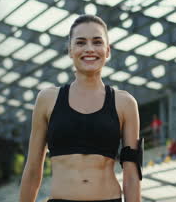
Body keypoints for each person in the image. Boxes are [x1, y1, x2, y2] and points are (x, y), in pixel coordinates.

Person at [19, 15, 142, 202]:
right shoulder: (47, 99)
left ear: (107, 50)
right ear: (70, 50)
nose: (90, 49)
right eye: (81, 42)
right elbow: (33, 168)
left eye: (97, 42)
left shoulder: (125, 103)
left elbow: (132, 176)